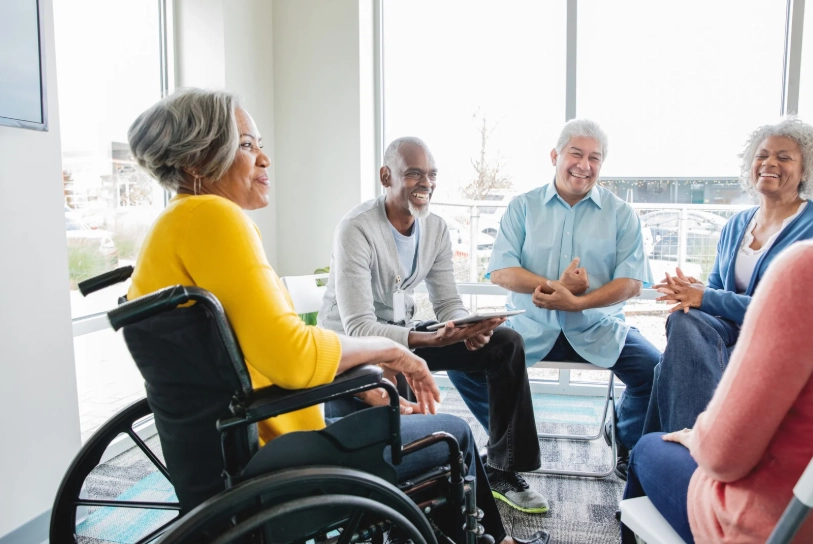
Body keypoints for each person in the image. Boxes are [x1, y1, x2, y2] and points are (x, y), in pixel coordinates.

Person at [126, 89, 549, 544]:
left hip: (229, 446)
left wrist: (371, 370)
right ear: (196, 162)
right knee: (453, 434)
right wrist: (390, 352)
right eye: (246, 145)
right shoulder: (213, 217)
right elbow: (292, 354)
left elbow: (261, 354)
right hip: (277, 455)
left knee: (451, 385)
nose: (264, 158)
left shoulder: (175, 226)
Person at [318, 137, 548, 513]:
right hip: (356, 348)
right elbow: (358, 327)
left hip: (407, 334)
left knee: (505, 343)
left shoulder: (436, 229)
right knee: (405, 373)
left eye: (431, 175)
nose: (425, 183)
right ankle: (426, 495)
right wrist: (428, 340)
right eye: (413, 174)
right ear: (386, 176)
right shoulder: (356, 229)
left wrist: (468, 327)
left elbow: (447, 302)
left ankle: (504, 469)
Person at [487, 119, 661, 480]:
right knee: (467, 361)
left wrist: (579, 303)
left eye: (594, 158)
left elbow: (631, 283)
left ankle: (625, 439)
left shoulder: (621, 214)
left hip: (598, 328)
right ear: (555, 155)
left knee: (656, 371)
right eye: (576, 154)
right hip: (529, 328)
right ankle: (508, 443)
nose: (584, 165)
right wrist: (557, 287)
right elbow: (502, 272)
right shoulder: (523, 207)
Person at [622, 240, 813, 543]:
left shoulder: (803, 266)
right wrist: (700, 294)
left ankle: (633, 437)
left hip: (770, 525)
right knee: (676, 341)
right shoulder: (738, 226)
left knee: (647, 447)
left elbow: (723, 459)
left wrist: (695, 436)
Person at [645, 117, 813, 435]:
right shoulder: (736, 224)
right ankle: (690, 446)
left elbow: (789, 310)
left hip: (779, 343)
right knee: (684, 320)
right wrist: (692, 293)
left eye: (784, 157)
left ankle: (674, 450)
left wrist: (705, 297)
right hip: (728, 336)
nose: (769, 163)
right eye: (762, 155)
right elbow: (717, 288)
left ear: (805, 170)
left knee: (668, 366)